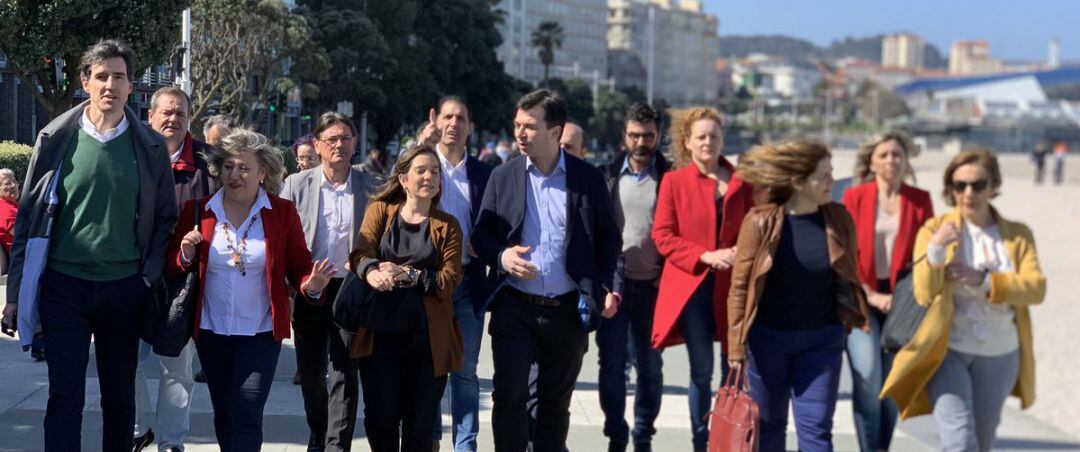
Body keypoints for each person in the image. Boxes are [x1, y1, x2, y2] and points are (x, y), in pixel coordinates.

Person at [0, 40, 178, 451]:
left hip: (125, 289)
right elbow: (28, 219)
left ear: (132, 86)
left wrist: (148, 277)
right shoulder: (55, 139)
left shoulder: (150, 148)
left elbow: (165, 219)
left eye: (119, 77)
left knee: (120, 400)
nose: (110, 85)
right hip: (65, 288)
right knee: (65, 395)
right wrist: (15, 294)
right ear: (85, 82)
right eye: (101, 76)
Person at [166, 129, 334, 450]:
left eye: (244, 167)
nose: (235, 174)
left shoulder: (281, 213)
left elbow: (299, 265)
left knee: (247, 413)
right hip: (211, 331)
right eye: (228, 166)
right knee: (225, 415)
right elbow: (173, 265)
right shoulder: (197, 210)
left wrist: (309, 286)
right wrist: (185, 253)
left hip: (260, 332)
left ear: (262, 173)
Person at [472, 89, 621, 452]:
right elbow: (481, 236)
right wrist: (503, 257)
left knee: (555, 405)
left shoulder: (587, 179)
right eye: (517, 125)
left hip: (568, 311)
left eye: (530, 127)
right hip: (515, 307)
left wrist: (606, 287)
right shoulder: (502, 176)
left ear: (556, 131)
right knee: (509, 395)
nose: (520, 134)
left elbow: (609, 240)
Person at [883, 149, 1045, 452]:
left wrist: (984, 280)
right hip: (948, 350)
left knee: (982, 444)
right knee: (959, 442)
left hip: (1000, 353)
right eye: (960, 186)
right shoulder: (935, 228)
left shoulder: (1017, 236)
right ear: (950, 189)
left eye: (978, 184)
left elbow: (1035, 289)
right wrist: (936, 249)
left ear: (993, 186)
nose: (968, 193)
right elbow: (924, 291)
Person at [727, 140, 870, 452]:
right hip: (767, 341)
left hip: (822, 342)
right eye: (824, 176)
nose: (832, 181)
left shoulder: (839, 219)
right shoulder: (759, 221)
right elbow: (739, 288)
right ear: (798, 182)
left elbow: (849, 274)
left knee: (817, 430)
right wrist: (736, 347)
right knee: (767, 428)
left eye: (833, 173)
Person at [650, 107, 754, 452]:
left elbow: (758, 230)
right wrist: (705, 256)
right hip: (693, 289)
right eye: (702, 137)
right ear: (688, 142)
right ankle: (701, 443)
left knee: (734, 371)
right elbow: (662, 235)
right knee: (700, 373)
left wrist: (741, 250)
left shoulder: (744, 183)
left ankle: (730, 442)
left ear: (723, 139)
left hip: (734, 291)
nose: (709, 142)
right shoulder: (673, 182)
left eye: (715, 136)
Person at [348, 144, 464, 452]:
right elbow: (361, 252)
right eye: (422, 170)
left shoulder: (447, 225)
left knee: (420, 428)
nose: (429, 177)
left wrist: (410, 276)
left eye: (435, 172)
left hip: (427, 342)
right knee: (380, 421)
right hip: (380, 338)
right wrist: (372, 270)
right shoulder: (380, 212)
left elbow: (450, 279)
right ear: (403, 179)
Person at [280, 112, 379, 452]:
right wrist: (299, 282)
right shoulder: (297, 185)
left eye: (346, 138)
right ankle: (319, 431)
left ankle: (337, 445)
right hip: (310, 287)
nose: (339, 144)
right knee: (310, 373)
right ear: (317, 146)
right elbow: (283, 236)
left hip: (351, 289)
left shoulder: (371, 186)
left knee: (344, 372)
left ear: (355, 144)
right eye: (332, 139)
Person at [133, 85, 216, 452]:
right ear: (150, 116)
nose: (173, 119)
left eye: (180, 113)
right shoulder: (131, 153)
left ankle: (171, 442)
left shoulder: (208, 163)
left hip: (182, 281)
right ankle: (139, 428)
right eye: (166, 112)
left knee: (177, 369)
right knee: (125, 360)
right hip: (131, 275)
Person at [840, 131, 934, 452]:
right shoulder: (855, 198)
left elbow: (925, 257)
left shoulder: (920, 200)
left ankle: (881, 447)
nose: (891, 160)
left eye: (897, 154)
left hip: (903, 302)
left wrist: (905, 296)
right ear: (872, 162)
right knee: (867, 377)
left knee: (892, 384)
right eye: (884, 155)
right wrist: (868, 292)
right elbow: (845, 253)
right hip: (860, 297)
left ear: (906, 161)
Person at [593, 102, 671, 452]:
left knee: (650, 369)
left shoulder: (671, 178)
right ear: (625, 136)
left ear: (659, 136)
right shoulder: (607, 176)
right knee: (610, 367)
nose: (641, 142)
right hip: (614, 290)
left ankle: (643, 434)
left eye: (648, 135)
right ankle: (616, 433)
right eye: (635, 135)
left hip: (655, 289)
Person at [417, 97, 494, 452]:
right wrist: (420, 146)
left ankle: (466, 445)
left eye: (460, 117)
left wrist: (487, 244)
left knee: (464, 373)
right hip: (427, 283)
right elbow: (392, 194)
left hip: (467, 283)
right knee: (429, 370)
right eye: (447, 116)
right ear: (437, 121)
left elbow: (498, 224)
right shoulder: (424, 167)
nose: (453, 123)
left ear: (470, 127)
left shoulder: (484, 174)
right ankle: (430, 440)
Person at [0, 168, 18, 255]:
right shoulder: (4, 210)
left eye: (14, 181)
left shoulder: (12, 205)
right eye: (7, 183)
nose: (13, 185)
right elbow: (21, 234)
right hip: (22, 260)